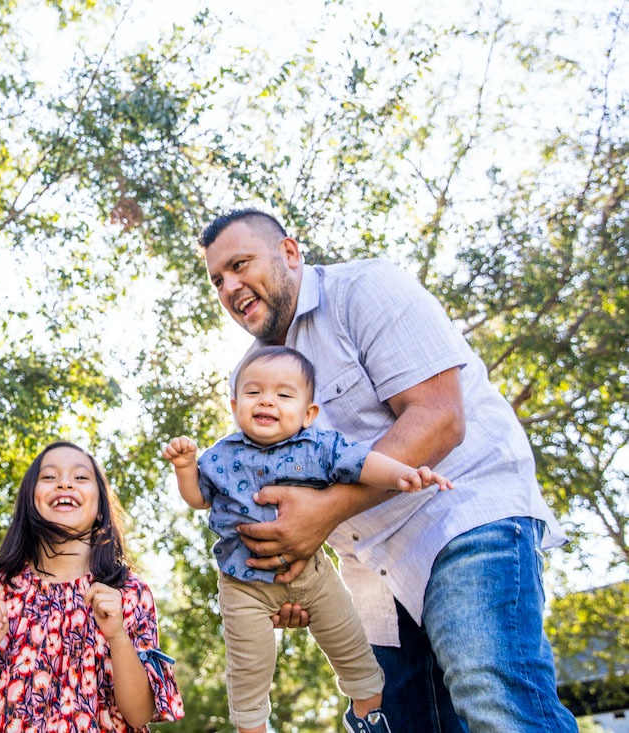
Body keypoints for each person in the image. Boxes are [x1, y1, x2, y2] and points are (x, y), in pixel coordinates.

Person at [197, 208, 576, 732]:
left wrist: (324, 514)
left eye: (240, 265)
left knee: (495, 700)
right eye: (218, 279)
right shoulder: (252, 375)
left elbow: (439, 419)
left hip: (460, 513)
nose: (230, 286)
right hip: (370, 570)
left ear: (289, 252)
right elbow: (273, 498)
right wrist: (283, 584)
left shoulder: (364, 290)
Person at [163, 345, 453, 733]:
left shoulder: (320, 447)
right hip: (242, 584)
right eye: (253, 392)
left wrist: (403, 474)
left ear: (308, 413)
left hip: (313, 577)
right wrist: (185, 468)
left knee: (350, 643)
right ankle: (251, 727)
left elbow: (364, 463)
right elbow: (198, 498)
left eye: (284, 394)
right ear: (234, 406)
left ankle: (369, 714)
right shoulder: (220, 455)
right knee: (249, 666)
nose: (267, 400)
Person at [0, 441, 185, 731]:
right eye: (49, 477)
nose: (64, 483)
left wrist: (118, 637)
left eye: (81, 477)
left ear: (101, 507)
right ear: (29, 501)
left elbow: (139, 715)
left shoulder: (129, 593)